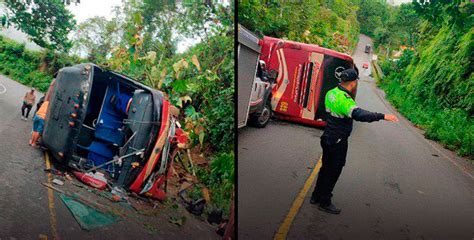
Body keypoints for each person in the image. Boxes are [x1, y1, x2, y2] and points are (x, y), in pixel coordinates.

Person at [310, 68, 398, 214]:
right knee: (334, 171)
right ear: (353, 82)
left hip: (327, 137)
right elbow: (359, 114)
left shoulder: (331, 93)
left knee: (325, 168)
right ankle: (325, 201)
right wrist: (382, 116)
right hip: (338, 141)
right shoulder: (345, 100)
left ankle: (316, 195)